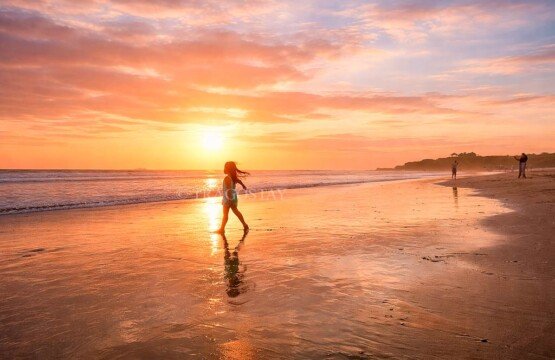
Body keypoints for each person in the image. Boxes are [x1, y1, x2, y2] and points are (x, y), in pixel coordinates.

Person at [216, 161, 249, 233]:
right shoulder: (233, 178)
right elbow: (239, 181)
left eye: (225, 167)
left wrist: (228, 200)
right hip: (233, 197)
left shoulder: (227, 178)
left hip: (228, 198)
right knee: (236, 212)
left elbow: (228, 190)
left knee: (225, 214)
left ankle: (222, 229)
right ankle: (245, 225)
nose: (224, 168)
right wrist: (243, 186)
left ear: (228, 169)